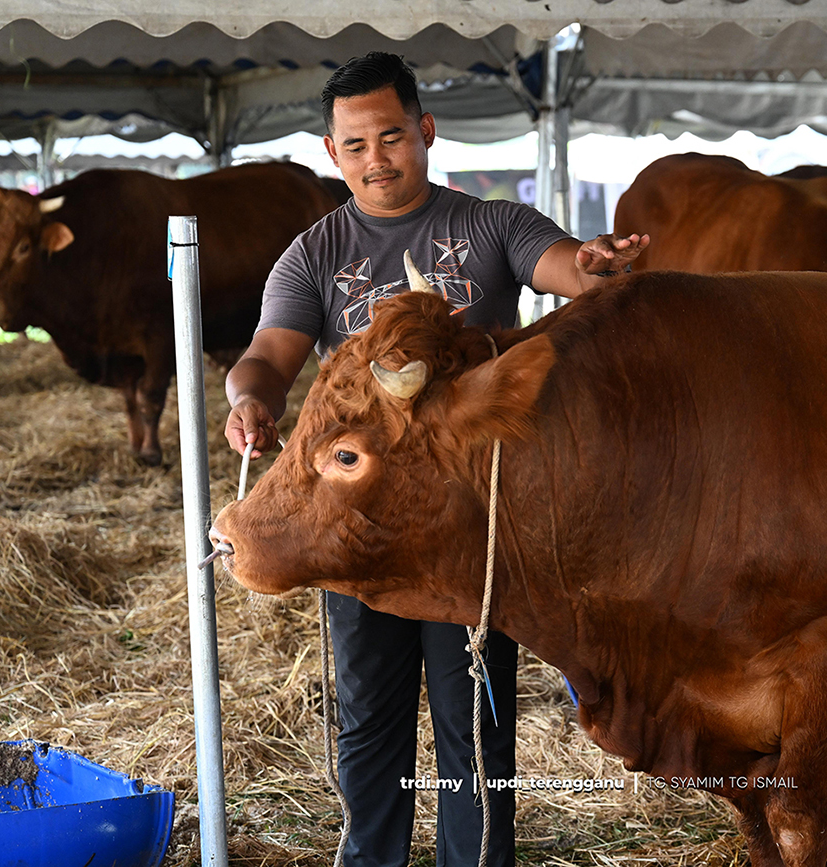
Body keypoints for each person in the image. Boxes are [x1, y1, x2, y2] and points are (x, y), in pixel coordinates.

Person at [223, 51, 648, 867]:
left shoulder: (491, 225)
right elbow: (267, 356)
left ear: (425, 130)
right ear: (332, 152)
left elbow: (563, 265)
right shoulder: (314, 252)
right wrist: (251, 399)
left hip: (469, 527)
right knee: (368, 717)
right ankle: (371, 857)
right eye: (355, 145)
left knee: (473, 724)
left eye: (391, 136)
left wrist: (591, 268)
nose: (375, 159)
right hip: (358, 521)